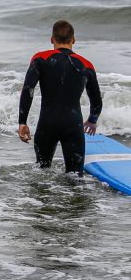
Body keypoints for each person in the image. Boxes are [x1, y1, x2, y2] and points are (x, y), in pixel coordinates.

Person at [18, 20, 102, 174]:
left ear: (52, 39)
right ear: (74, 40)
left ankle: (37, 199)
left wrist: (22, 122)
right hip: (73, 126)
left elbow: (28, 90)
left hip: (47, 124)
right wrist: (92, 120)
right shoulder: (86, 65)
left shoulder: (40, 59)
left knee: (41, 173)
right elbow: (96, 101)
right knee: (75, 177)